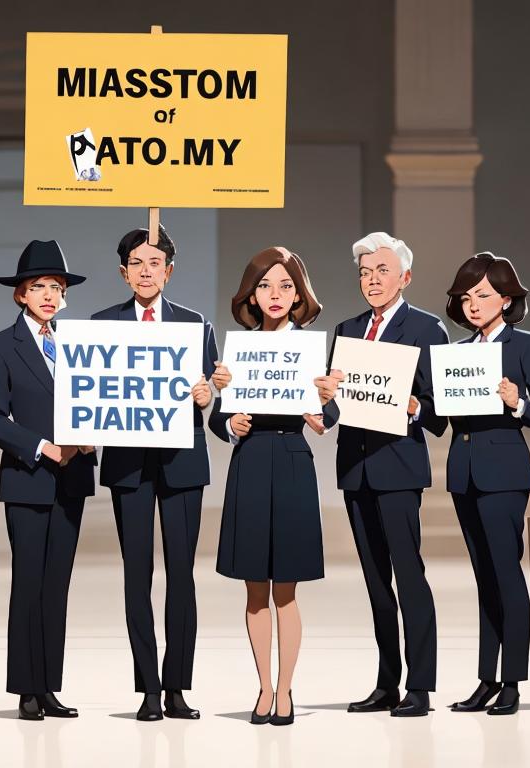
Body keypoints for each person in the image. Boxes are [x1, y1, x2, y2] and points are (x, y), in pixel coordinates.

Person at [315, 232, 448, 717]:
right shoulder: (347, 329)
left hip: (398, 469)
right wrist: (319, 407)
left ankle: (421, 685)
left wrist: (414, 405)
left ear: (405, 277)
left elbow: (438, 414)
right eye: (366, 273)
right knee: (375, 582)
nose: (373, 280)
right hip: (355, 470)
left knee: (409, 577)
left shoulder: (426, 329)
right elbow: (336, 407)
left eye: (383, 271)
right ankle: (386, 681)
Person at [91, 224, 215, 721]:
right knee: (136, 575)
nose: (146, 271)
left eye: (154, 262)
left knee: (182, 576)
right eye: (136, 263)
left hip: (182, 463)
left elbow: (208, 391)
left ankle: (178, 687)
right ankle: (148, 688)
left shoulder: (194, 324)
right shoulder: (102, 325)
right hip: (128, 465)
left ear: (169, 270)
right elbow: (92, 394)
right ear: (124, 273)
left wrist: (209, 395)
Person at [208, 247, 330, 726]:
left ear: (299, 294)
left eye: (285, 286)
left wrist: (323, 406)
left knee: (287, 591)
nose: (275, 295)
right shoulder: (238, 350)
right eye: (265, 286)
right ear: (251, 295)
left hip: (294, 460)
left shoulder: (312, 348)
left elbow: (329, 418)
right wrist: (228, 419)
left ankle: (286, 690)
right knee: (254, 588)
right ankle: (262, 688)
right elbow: (221, 419)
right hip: (251, 461)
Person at [0, 239, 96, 721]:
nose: (49, 294)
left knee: (57, 585)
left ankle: (49, 685)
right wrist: (42, 447)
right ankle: (26, 689)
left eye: (57, 287)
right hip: (28, 477)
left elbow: (101, 400)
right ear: (20, 294)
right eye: (38, 286)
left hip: (73, 478)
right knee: (28, 582)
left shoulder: (82, 343)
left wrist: (94, 438)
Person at [443, 253, 530, 716]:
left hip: (504, 475)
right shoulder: (458, 350)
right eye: (467, 297)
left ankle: (512, 681)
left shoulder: (526, 345)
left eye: (483, 295)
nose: (473, 304)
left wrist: (518, 402)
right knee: (484, 579)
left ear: (506, 300)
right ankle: (486, 678)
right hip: (464, 471)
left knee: (507, 576)